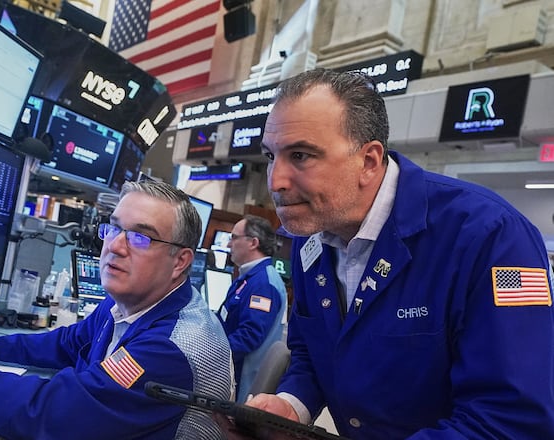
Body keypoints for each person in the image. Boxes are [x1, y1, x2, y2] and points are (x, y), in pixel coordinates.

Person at [220, 68, 554, 439]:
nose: (276, 181)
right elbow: (311, 354)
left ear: (368, 161)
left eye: (300, 155)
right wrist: (291, 405)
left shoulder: (492, 237)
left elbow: (511, 419)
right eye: (271, 156)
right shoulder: (312, 233)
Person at [0, 180, 234, 440]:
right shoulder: (132, 304)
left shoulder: (171, 347)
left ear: (180, 261)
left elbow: (50, 412)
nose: (114, 246)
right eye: (113, 228)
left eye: (140, 236)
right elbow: (67, 342)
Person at [217, 214, 286, 402]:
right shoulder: (249, 277)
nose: (229, 244)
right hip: (231, 373)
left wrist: (211, 354)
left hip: (241, 383)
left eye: (233, 237)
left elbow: (248, 336)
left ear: (253, 242)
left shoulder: (264, 283)